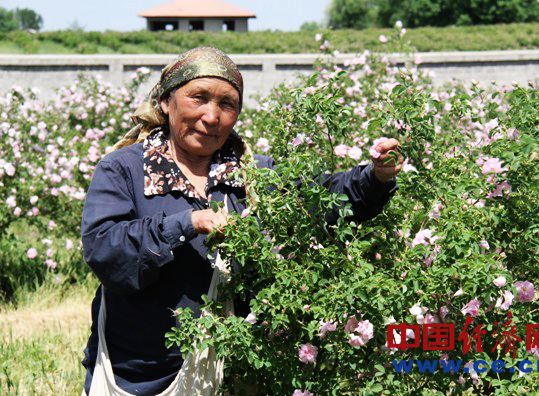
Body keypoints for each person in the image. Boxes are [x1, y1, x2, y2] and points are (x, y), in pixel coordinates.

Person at [80, 46, 403, 395]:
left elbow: (321, 198)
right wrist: (187, 223)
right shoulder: (125, 169)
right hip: (141, 371)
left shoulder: (253, 173)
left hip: (234, 367)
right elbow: (104, 247)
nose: (212, 116)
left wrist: (375, 176)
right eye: (198, 98)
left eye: (227, 104)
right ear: (165, 102)